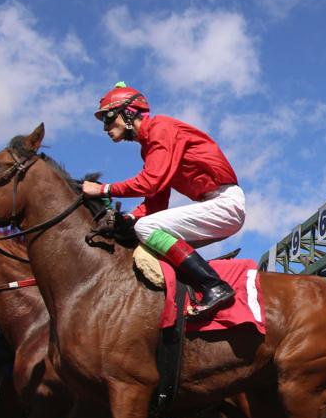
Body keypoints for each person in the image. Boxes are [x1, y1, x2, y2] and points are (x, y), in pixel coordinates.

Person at [82, 83, 245, 318]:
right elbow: (156, 200)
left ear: (128, 112)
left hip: (225, 203)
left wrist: (103, 189)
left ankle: (214, 286)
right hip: (216, 205)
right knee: (139, 231)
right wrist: (127, 217)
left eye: (108, 118)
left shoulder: (161, 128)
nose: (106, 128)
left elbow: (150, 182)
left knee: (146, 227)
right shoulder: (149, 147)